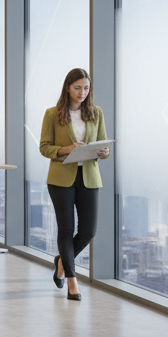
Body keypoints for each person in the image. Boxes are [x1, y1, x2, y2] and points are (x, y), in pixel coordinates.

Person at [39, 68, 110, 302]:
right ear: (68, 88)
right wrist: (65, 149)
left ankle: (61, 262)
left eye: (86, 88)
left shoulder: (96, 113)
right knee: (66, 230)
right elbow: (44, 147)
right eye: (77, 87)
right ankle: (71, 280)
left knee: (89, 231)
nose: (82, 92)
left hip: (88, 176)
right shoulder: (52, 114)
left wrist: (104, 151)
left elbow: (102, 146)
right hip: (61, 179)